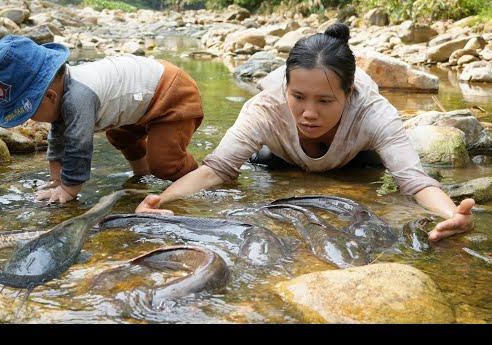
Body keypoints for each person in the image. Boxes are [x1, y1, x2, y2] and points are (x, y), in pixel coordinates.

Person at [136, 23, 474, 243]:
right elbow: (217, 170)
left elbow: (414, 181)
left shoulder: (374, 112)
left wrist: (450, 214)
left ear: (349, 91)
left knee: (372, 169)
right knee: (261, 161)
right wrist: (161, 200)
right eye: (298, 97)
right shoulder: (265, 107)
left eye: (325, 100)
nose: (309, 112)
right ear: (285, 87)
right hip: (279, 157)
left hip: (355, 158)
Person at [0, 35, 204, 204]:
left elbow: (79, 146)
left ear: (50, 96)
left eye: (31, 112)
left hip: (171, 94)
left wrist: (68, 189)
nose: (32, 121)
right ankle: (141, 175)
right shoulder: (61, 94)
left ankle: (200, 177)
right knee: (119, 134)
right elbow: (58, 139)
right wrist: (56, 180)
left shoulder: (78, 98)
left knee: (164, 164)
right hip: (141, 102)